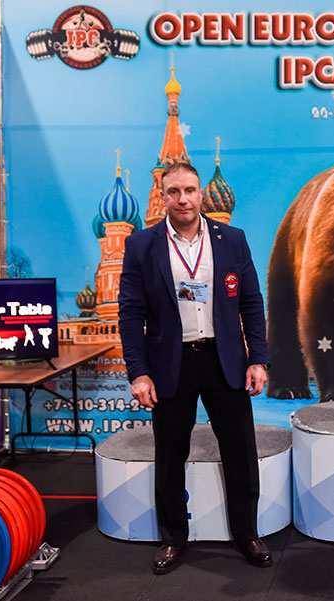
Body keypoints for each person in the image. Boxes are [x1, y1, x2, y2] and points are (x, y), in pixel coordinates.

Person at [118, 161, 271, 574]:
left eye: (189, 190)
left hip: (225, 360)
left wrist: (258, 358)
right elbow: (130, 314)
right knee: (170, 455)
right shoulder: (141, 245)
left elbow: (251, 302)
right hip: (170, 364)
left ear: (201, 193)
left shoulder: (232, 239)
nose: (182, 199)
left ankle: (247, 533)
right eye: (173, 192)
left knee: (240, 451)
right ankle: (173, 538)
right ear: (162, 196)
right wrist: (138, 372)